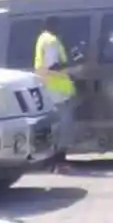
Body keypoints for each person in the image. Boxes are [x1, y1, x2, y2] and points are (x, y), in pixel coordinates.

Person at [33, 18, 76, 171]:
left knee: (55, 128)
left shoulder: (42, 39)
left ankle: (53, 163)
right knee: (63, 127)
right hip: (58, 92)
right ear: (52, 26)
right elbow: (53, 66)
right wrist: (71, 64)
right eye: (57, 25)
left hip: (50, 90)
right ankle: (59, 162)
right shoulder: (51, 41)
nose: (59, 28)